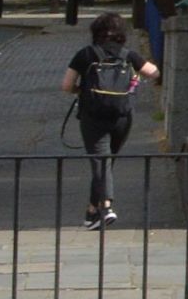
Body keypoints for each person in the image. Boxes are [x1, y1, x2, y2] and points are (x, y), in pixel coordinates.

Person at [60, 13, 154, 229]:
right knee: (106, 163)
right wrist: (135, 79)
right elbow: (154, 72)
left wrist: (82, 91)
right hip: (122, 116)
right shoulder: (128, 55)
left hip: (93, 116)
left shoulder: (85, 55)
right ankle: (92, 212)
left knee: (101, 162)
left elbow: (66, 86)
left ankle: (106, 207)